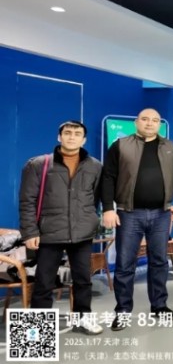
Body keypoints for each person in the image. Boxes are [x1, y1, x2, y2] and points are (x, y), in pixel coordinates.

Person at [101, 108, 173, 331]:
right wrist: (108, 209)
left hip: (162, 214)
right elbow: (108, 178)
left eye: (155, 120)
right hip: (129, 214)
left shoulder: (169, 147)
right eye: (145, 119)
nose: (150, 123)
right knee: (125, 264)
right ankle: (122, 311)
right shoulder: (121, 145)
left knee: (159, 261)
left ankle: (159, 306)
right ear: (136, 122)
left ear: (159, 124)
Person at [19, 121, 103, 335]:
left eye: (77, 133)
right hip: (49, 233)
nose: (72, 137)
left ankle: (83, 319)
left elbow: (95, 199)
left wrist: (91, 220)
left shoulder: (95, 166)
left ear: (83, 139)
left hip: (82, 233)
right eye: (67, 133)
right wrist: (30, 232)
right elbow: (27, 201)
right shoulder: (38, 164)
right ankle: (37, 332)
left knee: (83, 280)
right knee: (44, 282)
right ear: (59, 137)